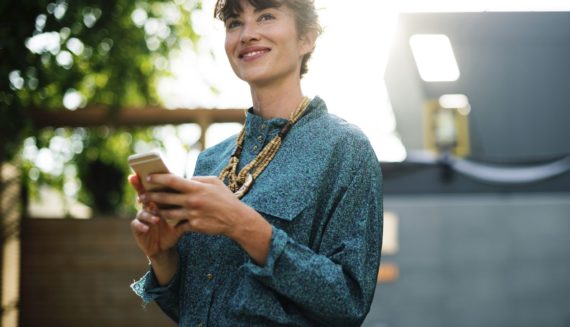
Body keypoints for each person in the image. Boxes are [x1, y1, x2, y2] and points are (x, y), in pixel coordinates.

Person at [129, 0, 383, 326]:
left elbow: (349, 303)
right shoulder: (210, 161)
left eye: (265, 16)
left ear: (306, 37)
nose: (247, 34)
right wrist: (162, 257)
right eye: (235, 23)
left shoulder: (346, 149)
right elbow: (192, 309)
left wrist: (242, 225)